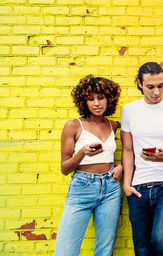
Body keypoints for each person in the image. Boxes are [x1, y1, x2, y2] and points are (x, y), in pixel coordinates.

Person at [120, 62, 163, 256]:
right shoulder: (128, 110)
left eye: (161, 85)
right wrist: (127, 185)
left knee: (162, 243)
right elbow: (127, 150)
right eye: (150, 86)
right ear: (140, 84)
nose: (157, 91)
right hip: (138, 187)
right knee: (142, 250)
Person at [55, 75, 123, 256]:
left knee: (104, 250)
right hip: (82, 187)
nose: (97, 103)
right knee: (66, 251)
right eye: (90, 99)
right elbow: (64, 168)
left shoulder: (113, 125)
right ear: (83, 101)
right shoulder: (74, 125)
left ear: (109, 99)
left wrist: (119, 166)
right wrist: (82, 153)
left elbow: (130, 149)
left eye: (101, 98)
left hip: (110, 188)